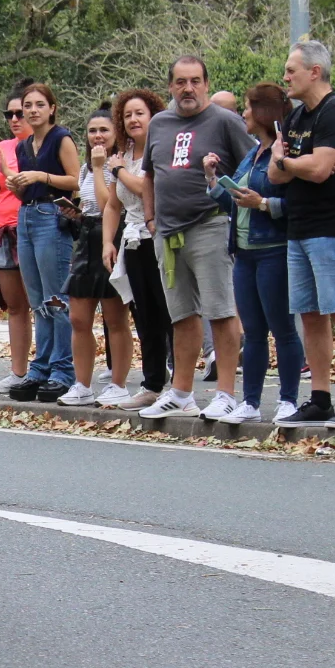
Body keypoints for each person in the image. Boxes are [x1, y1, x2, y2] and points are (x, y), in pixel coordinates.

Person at [126, 56, 253, 420]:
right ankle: (181, 392)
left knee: (221, 311)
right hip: (167, 232)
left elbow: (250, 167)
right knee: (181, 314)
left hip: (211, 223)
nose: (188, 88)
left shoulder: (225, 121)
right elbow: (150, 175)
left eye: (195, 81)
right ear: (170, 86)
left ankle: (226, 393)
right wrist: (151, 218)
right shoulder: (160, 123)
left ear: (206, 84)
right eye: (181, 82)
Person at [272, 40, 335, 429]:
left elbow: (318, 170)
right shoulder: (296, 117)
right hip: (298, 227)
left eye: (291, 70)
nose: (285, 77)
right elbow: (276, 173)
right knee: (310, 316)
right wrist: (296, 162)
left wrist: (292, 162)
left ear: (314, 72)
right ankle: (320, 398)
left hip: (333, 228)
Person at [205, 82, 303, 424]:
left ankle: (289, 400)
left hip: (274, 251)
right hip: (244, 254)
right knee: (254, 332)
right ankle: (250, 402)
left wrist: (262, 203)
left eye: (247, 107)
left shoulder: (284, 153)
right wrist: (213, 179)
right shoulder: (253, 152)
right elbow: (234, 202)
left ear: (263, 111)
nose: (243, 113)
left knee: (283, 328)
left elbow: (296, 204)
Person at [2, 82, 82, 401]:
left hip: (53, 215)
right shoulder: (23, 147)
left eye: (39, 105)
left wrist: (40, 177)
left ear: (52, 109)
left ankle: (63, 369)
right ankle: (41, 368)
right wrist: (18, 185)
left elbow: (76, 180)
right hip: (26, 215)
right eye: (28, 106)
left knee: (56, 297)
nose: (32, 111)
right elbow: (26, 188)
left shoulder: (61, 138)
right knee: (37, 299)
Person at [100, 88, 170, 407]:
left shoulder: (159, 149)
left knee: (168, 312)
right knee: (143, 315)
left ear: (153, 115)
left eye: (140, 113)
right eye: (127, 115)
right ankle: (152, 383)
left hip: (160, 237)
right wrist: (107, 242)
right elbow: (114, 205)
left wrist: (118, 171)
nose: (133, 119)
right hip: (132, 240)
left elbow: (145, 188)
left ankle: (178, 385)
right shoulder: (123, 155)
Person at [64, 108, 135, 407]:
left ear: (116, 133)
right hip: (87, 239)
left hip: (113, 238)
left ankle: (118, 384)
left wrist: (99, 168)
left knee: (115, 317)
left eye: (104, 130)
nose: (97, 136)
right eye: (92, 130)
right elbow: (90, 205)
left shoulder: (119, 165)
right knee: (78, 317)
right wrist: (74, 213)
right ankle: (82, 384)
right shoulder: (85, 168)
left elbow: (110, 206)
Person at [0, 91, 33, 393]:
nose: (14, 119)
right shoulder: (3, 147)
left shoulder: (43, 145)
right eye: (8, 114)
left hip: (32, 229)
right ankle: (18, 372)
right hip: (2, 230)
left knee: (45, 304)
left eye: (19, 113)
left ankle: (52, 370)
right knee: (15, 306)